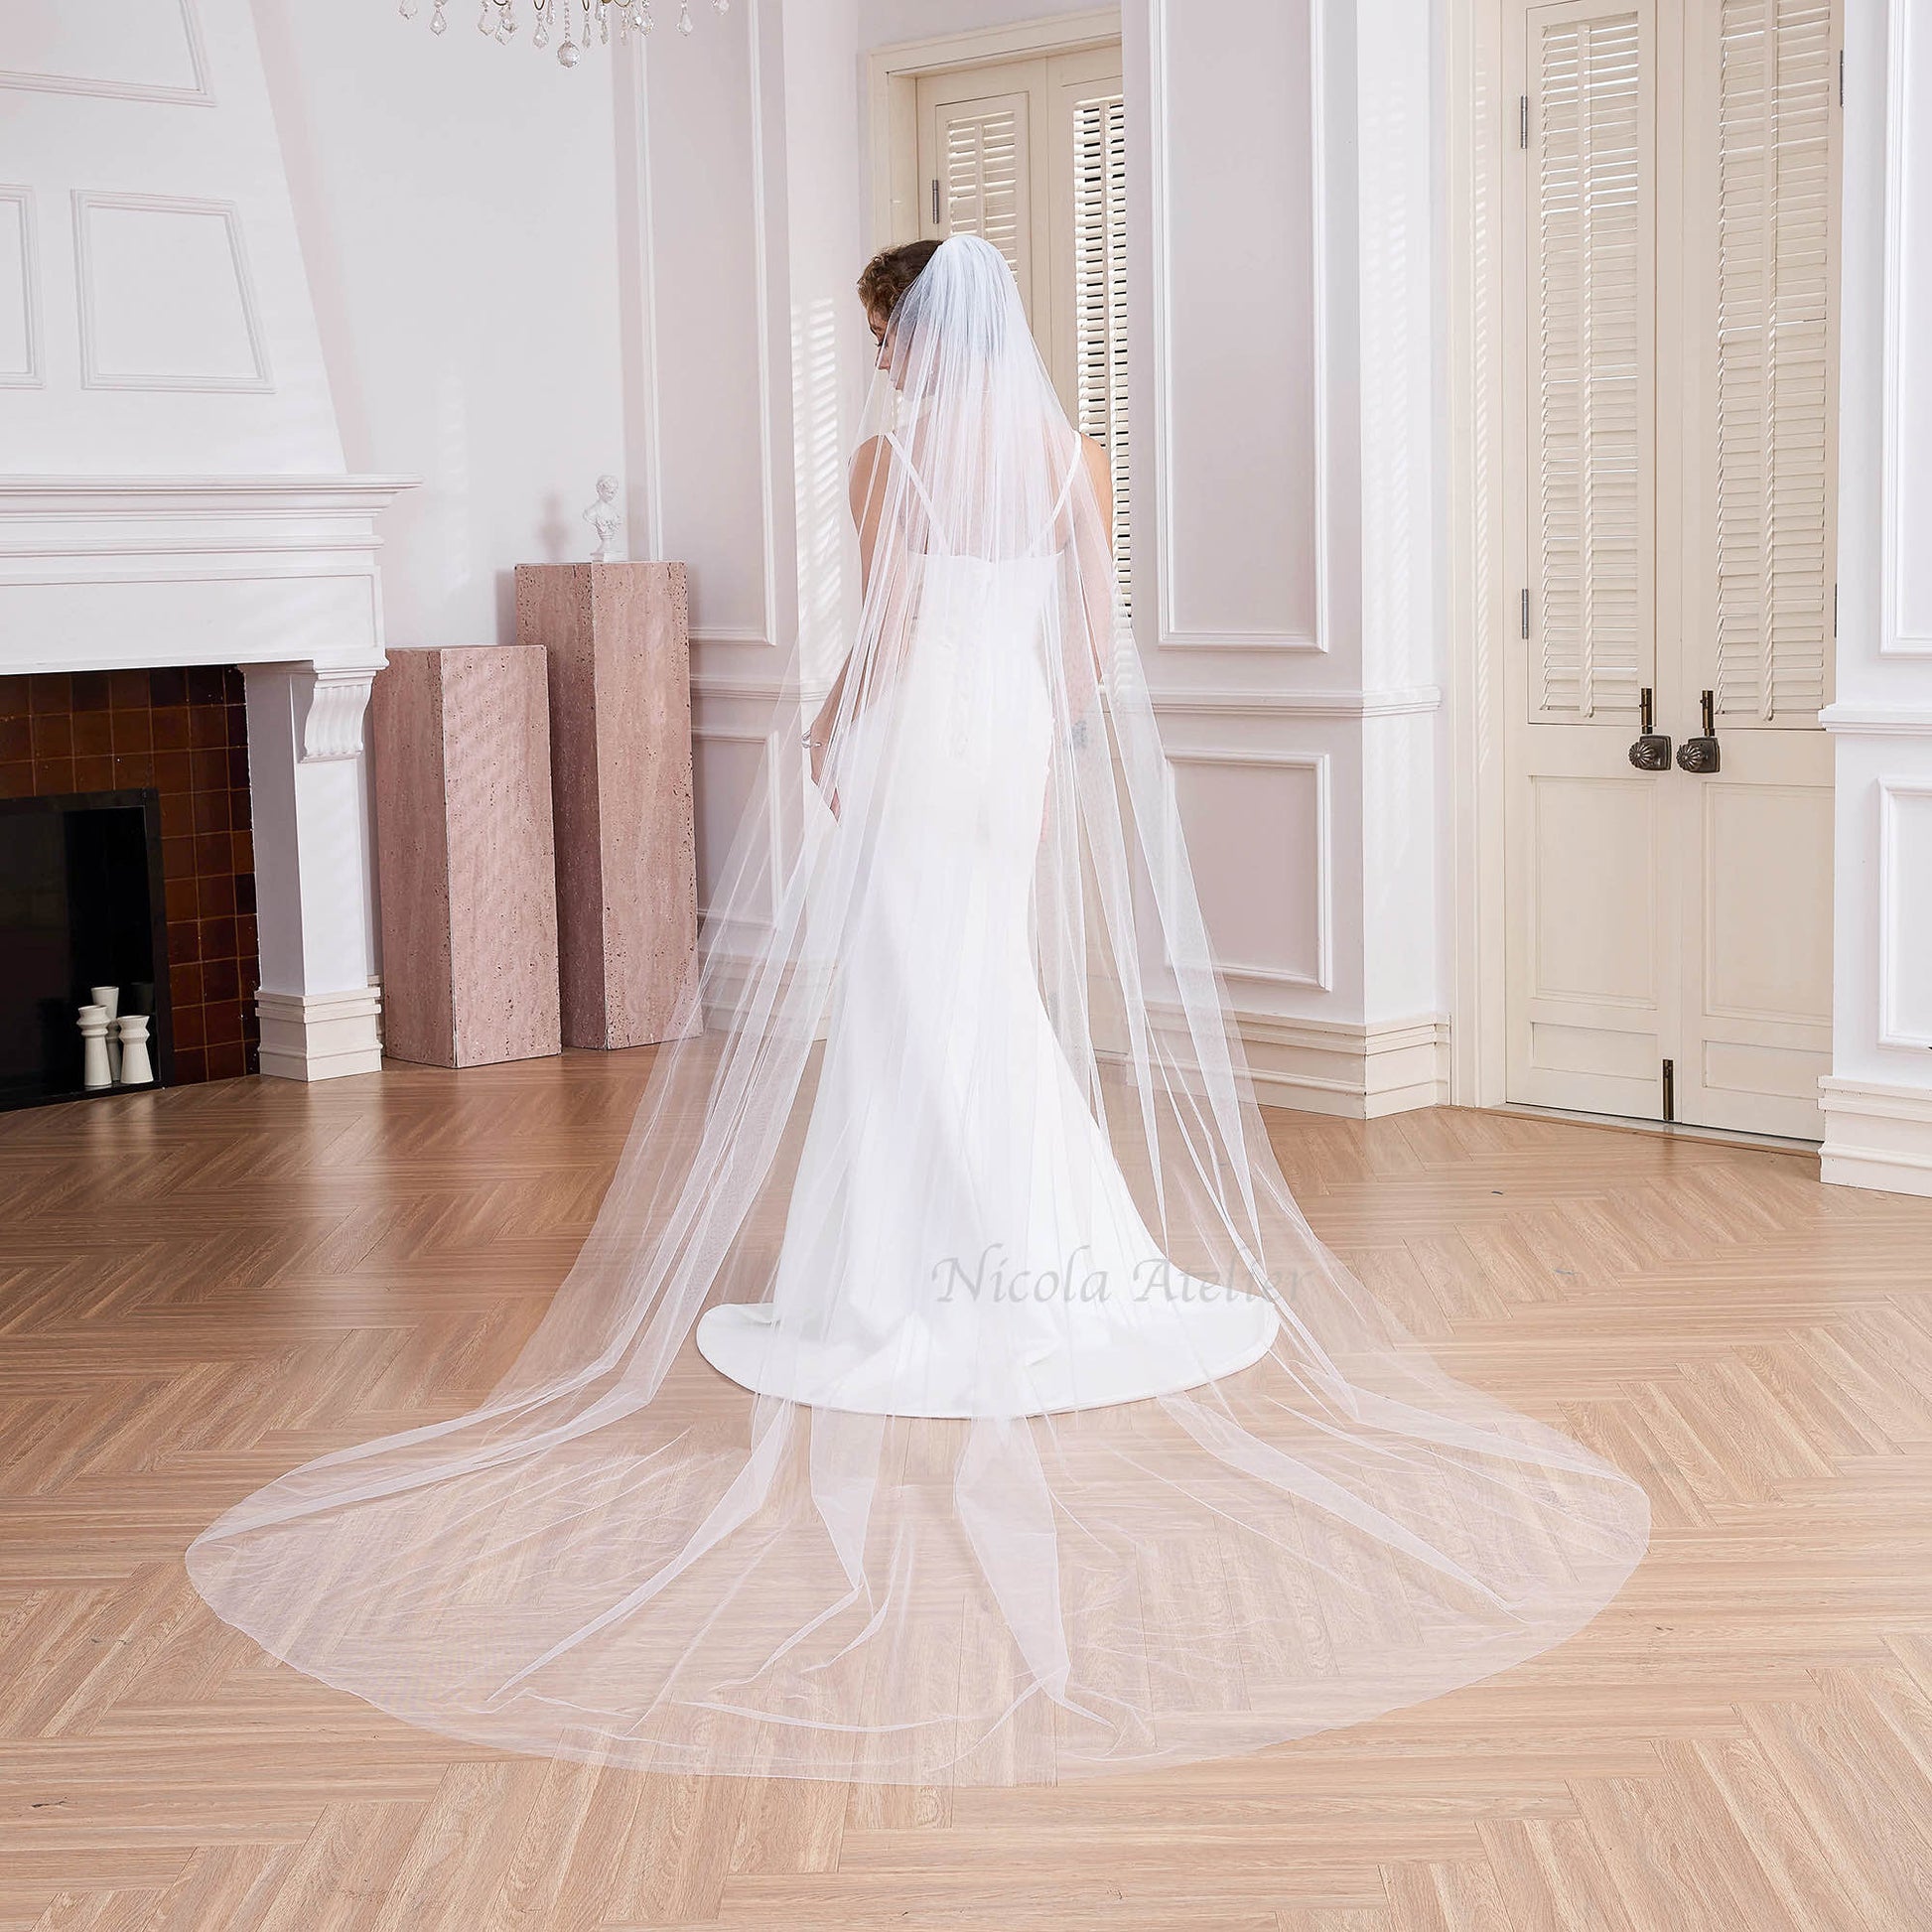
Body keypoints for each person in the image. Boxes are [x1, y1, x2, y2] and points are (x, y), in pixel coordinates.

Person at [187, 234, 1649, 1787]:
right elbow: (1089, 642)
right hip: (1007, 736)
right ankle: (1039, 1252)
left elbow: (881, 636)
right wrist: (1035, 733)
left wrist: (826, 736)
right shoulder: (1074, 454)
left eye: (881, 329)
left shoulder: (892, 461)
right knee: (981, 989)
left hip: (915, 734)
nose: (878, 353)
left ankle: (902, 1267)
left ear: (916, 328)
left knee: (907, 996)